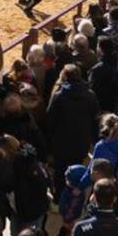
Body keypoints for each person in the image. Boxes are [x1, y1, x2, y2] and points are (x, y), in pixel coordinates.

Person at [45, 64, 100, 199]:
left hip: (61, 141)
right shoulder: (90, 96)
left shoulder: (59, 96)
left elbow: (50, 119)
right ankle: (75, 194)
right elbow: (95, 119)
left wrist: (49, 140)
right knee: (77, 168)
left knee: (59, 171)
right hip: (81, 141)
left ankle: (58, 198)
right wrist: (93, 139)